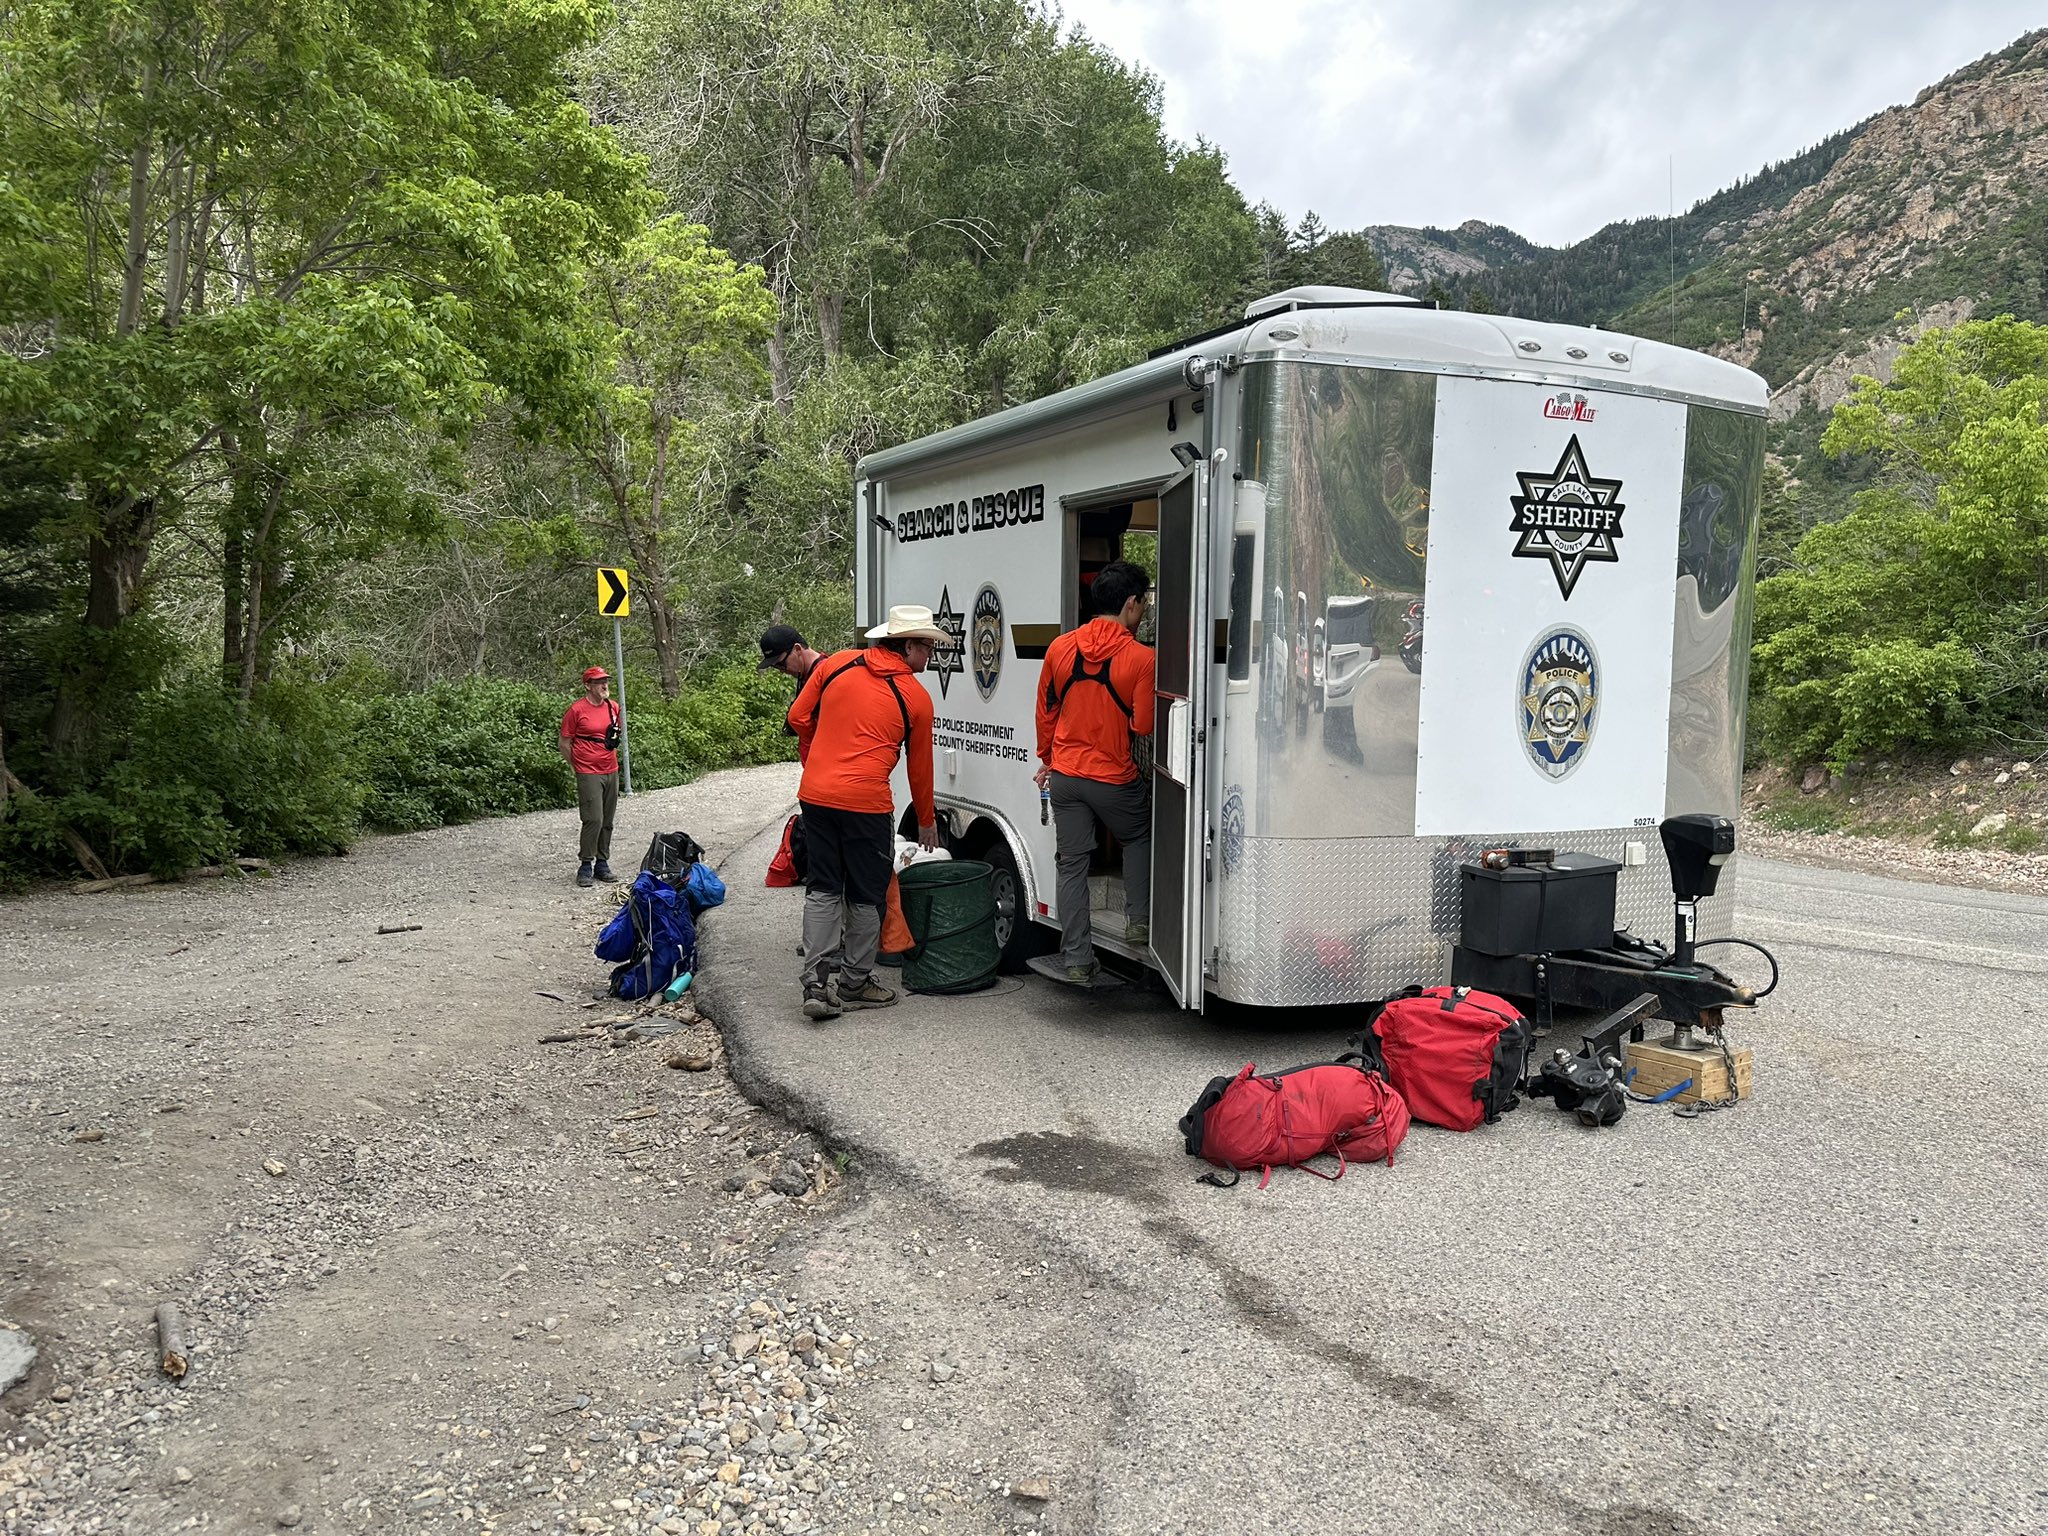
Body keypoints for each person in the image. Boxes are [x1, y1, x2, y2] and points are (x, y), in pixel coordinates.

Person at [786, 605, 946, 1020]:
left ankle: (816, 985)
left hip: (816, 795)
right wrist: (926, 821)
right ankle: (854, 982)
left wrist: (820, 755)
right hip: (867, 805)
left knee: (822, 885)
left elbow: (798, 717)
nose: (930, 656)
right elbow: (920, 768)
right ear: (907, 646)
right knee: (865, 893)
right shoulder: (916, 698)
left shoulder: (836, 663)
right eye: (927, 647)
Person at [1034, 559, 1156, 983]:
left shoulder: (1059, 647)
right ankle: (1137, 923)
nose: (1143, 611)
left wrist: (1047, 758)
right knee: (1139, 836)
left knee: (1072, 865)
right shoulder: (1142, 658)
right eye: (1143, 603)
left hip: (1065, 777)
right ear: (1129, 604)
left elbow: (1046, 710)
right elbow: (1142, 725)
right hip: (1113, 779)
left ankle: (1077, 960)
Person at [559, 665, 622, 887]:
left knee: (607, 819)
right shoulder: (576, 710)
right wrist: (577, 766)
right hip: (588, 771)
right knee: (593, 818)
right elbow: (564, 743)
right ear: (588, 685)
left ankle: (602, 863)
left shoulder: (613, 707)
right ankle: (585, 864)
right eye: (598, 682)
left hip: (611, 768)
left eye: (606, 681)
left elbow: (613, 737)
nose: (605, 685)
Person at [758, 624, 824, 764]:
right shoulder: (807, 675)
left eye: (781, 664)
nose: (781, 670)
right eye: (775, 667)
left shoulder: (825, 675)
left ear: (797, 649)